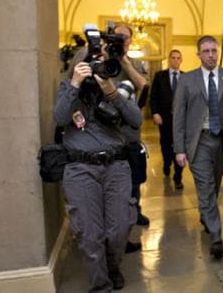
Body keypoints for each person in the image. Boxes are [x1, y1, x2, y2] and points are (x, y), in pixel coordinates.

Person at [54, 46, 142, 291]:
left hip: (116, 167)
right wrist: (74, 84)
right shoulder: (68, 88)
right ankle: (100, 284)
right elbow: (60, 118)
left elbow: (135, 120)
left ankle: (113, 267)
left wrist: (110, 90)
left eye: (100, 63)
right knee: (90, 234)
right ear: (78, 65)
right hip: (81, 169)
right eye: (91, 64)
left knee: (119, 228)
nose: (96, 68)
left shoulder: (113, 89)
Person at [173, 35, 223, 260]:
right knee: (205, 187)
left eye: (214, 50)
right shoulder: (187, 80)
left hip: (222, 142)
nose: (211, 55)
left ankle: (206, 214)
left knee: (212, 186)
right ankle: (216, 237)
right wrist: (179, 149)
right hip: (198, 142)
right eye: (206, 51)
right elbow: (179, 116)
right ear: (198, 54)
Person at [113, 23, 150, 228]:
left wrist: (125, 62)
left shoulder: (135, 64)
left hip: (130, 135)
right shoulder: (101, 61)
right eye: (117, 36)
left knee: (134, 180)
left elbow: (144, 87)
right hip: (106, 136)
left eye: (125, 37)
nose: (121, 40)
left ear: (130, 40)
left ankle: (135, 211)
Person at [150, 49, 184, 190]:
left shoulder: (186, 77)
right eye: (173, 58)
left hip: (181, 120)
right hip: (164, 118)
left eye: (178, 58)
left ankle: (178, 177)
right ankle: (166, 163)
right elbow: (153, 97)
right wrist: (155, 113)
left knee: (179, 147)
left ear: (181, 60)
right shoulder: (160, 76)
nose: (175, 60)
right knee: (166, 145)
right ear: (169, 60)